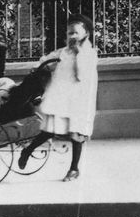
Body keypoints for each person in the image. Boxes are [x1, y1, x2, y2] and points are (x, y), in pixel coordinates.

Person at [17, 14, 98, 181]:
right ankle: (28, 150)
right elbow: (47, 62)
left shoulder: (89, 54)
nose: (72, 36)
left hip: (78, 101)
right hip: (60, 99)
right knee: (49, 129)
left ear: (86, 34)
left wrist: (78, 54)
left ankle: (74, 169)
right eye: (69, 33)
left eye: (75, 32)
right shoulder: (63, 53)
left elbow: (82, 75)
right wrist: (39, 68)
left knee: (77, 133)